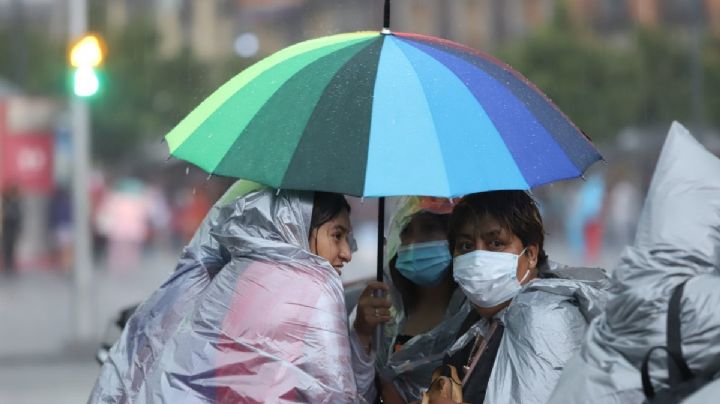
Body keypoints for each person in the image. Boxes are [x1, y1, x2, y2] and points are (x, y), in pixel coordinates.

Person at [89, 183, 363, 403]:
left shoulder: (235, 276)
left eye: (347, 238)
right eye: (336, 236)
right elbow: (336, 393)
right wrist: (364, 340)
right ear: (297, 228)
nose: (347, 252)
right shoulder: (314, 290)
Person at [432, 190, 608, 404]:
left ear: (531, 255)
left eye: (496, 243)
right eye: (466, 246)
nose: (478, 258)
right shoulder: (479, 319)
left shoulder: (543, 319)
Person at [351, 197, 471, 403]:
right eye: (406, 231)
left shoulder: (474, 315)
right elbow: (352, 383)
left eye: (429, 228)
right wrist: (361, 332)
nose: (414, 243)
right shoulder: (383, 309)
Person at [1, 186, 22, 274]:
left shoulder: (15, 203)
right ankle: (7, 263)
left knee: (11, 247)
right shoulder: (8, 203)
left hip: (11, 229)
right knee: (7, 246)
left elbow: (17, 217)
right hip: (7, 229)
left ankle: (9, 263)